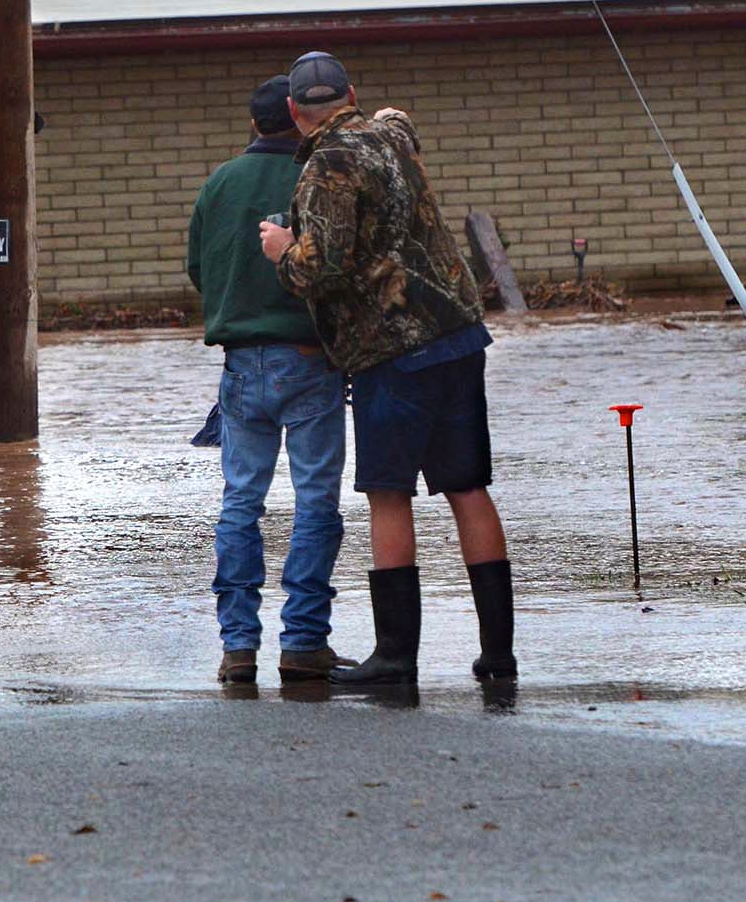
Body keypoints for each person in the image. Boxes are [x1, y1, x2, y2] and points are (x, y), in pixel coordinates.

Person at [259, 51, 516, 687]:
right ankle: (498, 655)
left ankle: (396, 657)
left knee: (388, 493)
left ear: (294, 112)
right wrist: (385, 111)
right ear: (351, 92)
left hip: (391, 351)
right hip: (458, 335)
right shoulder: (390, 137)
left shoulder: (326, 166)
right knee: (466, 487)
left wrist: (283, 249)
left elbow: (325, 269)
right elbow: (400, 120)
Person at [187, 75, 350, 687]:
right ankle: (304, 641)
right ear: (296, 117)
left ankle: (238, 647)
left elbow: (200, 269)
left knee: (240, 503)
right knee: (315, 501)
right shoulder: (317, 179)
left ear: (256, 123)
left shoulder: (219, 183)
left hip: (238, 366)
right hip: (309, 359)